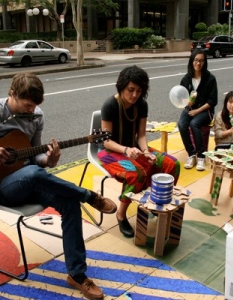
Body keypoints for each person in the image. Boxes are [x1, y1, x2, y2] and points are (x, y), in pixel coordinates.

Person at [0, 73, 117, 300]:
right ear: (11, 94)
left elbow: (35, 157)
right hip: (4, 189)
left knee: (68, 202)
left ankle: (77, 275)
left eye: (35, 106)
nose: (32, 111)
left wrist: (50, 160)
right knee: (34, 174)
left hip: (29, 178)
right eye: (27, 105)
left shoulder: (37, 115)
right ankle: (89, 196)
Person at [97, 65, 180, 238]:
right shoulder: (110, 105)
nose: (135, 95)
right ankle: (121, 214)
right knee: (137, 174)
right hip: (110, 151)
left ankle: (154, 203)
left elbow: (141, 135)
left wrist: (146, 151)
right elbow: (106, 142)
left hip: (134, 148)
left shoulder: (141, 104)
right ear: (122, 86)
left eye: (139, 91)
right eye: (131, 90)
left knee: (172, 164)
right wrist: (126, 150)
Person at [178, 49, 218, 171]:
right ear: (191, 61)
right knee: (181, 124)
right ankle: (191, 154)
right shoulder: (186, 79)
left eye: (201, 60)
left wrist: (198, 110)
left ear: (205, 62)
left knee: (194, 123)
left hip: (206, 111)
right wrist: (187, 102)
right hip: (191, 108)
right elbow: (181, 97)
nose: (198, 63)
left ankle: (201, 156)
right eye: (196, 60)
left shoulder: (210, 78)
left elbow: (212, 101)